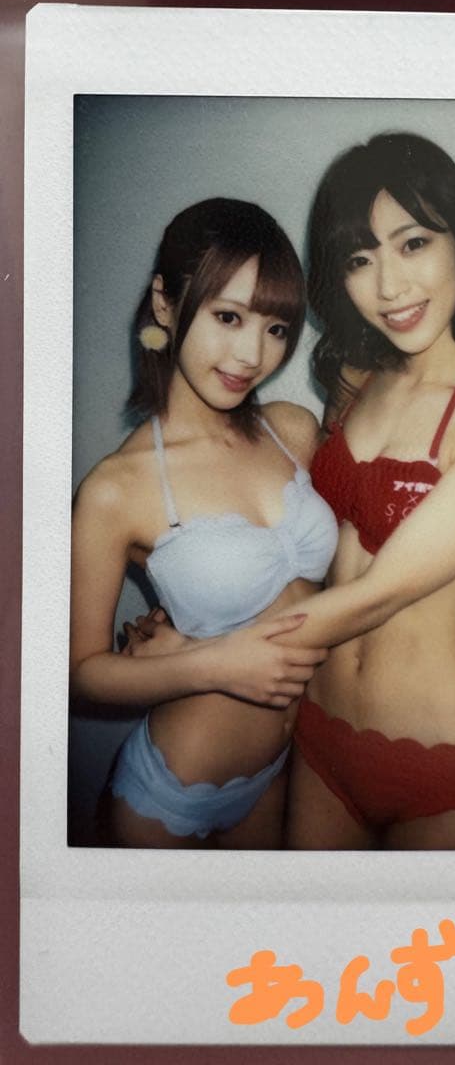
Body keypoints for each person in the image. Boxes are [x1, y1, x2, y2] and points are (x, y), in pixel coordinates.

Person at [239, 131, 455, 850]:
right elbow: (339, 560)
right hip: (319, 739)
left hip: (439, 773)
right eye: (359, 259)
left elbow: (376, 594)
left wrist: (191, 650)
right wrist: (449, 618)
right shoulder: (354, 380)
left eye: (412, 244)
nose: (388, 286)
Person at [70, 198, 336, 849]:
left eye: (276, 328)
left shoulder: (292, 431)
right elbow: (83, 671)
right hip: (168, 793)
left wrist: (440, 625)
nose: (252, 354)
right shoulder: (116, 488)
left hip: (275, 770)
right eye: (228, 317)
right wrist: (210, 664)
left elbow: (333, 591)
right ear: (164, 303)